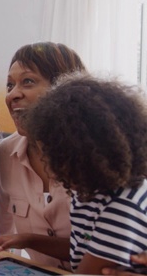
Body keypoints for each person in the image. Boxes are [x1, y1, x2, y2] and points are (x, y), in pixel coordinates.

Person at [0, 42, 86, 270]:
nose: (12, 95)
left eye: (27, 81)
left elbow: (107, 246)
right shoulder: (6, 153)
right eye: (9, 85)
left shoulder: (98, 157)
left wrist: (28, 241)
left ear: (64, 90)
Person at [23, 75, 147, 275]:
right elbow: (81, 250)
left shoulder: (123, 205)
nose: (48, 167)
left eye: (52, 157)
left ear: (83, 155)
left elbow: (87, 272)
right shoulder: (89, 194)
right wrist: (27, 240)